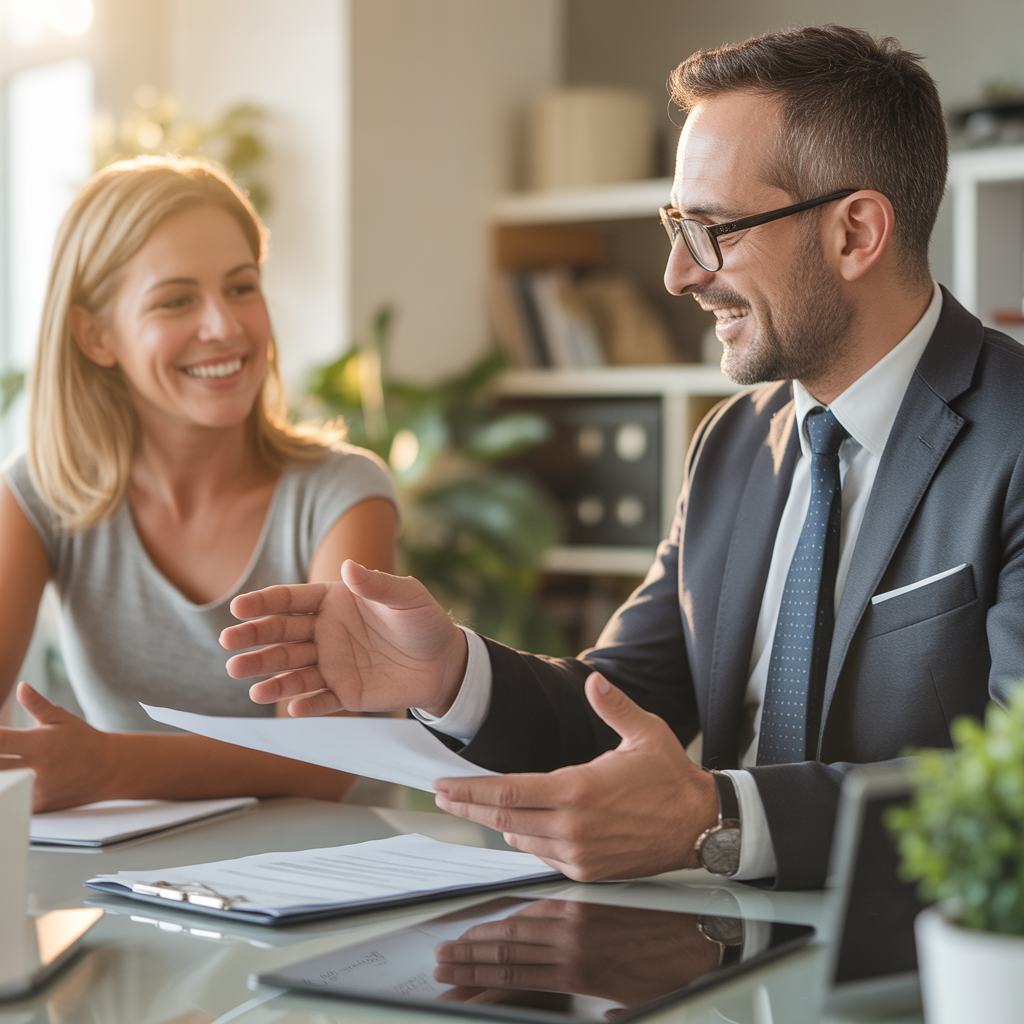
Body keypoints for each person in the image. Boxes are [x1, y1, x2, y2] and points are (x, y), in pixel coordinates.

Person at [221, 26, 1024, 890]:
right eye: (676, 225)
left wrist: (720, 820)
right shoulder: (730, 443)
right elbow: (619, 703)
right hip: (716, 941)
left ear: (855, 233)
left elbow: (1010, 793)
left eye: (712, 229)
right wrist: (450, 672)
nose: (678, 274)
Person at [0, 156, 398, 812]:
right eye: (176, 300)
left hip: (337, 865)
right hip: (134, 866)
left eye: (241, 288)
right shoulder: (38, 494)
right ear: (96, 336)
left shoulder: (342, 496)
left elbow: (324, 758)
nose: (225, 326)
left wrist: (107, 765)